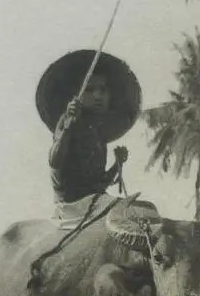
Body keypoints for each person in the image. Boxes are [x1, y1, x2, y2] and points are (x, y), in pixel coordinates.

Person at [35, 49, 142, 211]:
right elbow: (55, 162)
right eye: (90, 90)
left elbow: (99, 184)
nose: (98, 96)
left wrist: (117, 164)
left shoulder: (98, 133)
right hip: (71, 205)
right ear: (76, 95)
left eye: (103, 90)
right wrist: (68, 128)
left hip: (95, 202)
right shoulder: (67, 121)